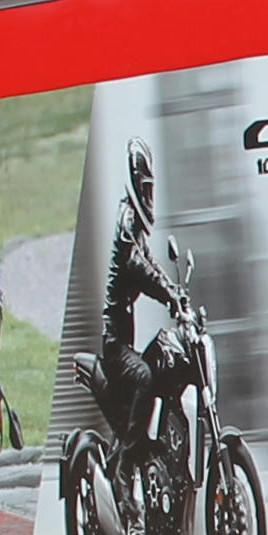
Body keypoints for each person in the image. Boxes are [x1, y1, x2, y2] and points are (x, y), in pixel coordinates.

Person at [90, 141, 174, 458]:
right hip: (114, 343)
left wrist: (176, 293)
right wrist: (167, 295)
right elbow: (137, 267)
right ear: (135, 181)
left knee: (161, 367)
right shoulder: (126, 220)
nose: (149, 195)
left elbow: (150, 263)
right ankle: (128, 455)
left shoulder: (135, 228)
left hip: (124, 339)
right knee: (146, 377)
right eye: (146, 187)